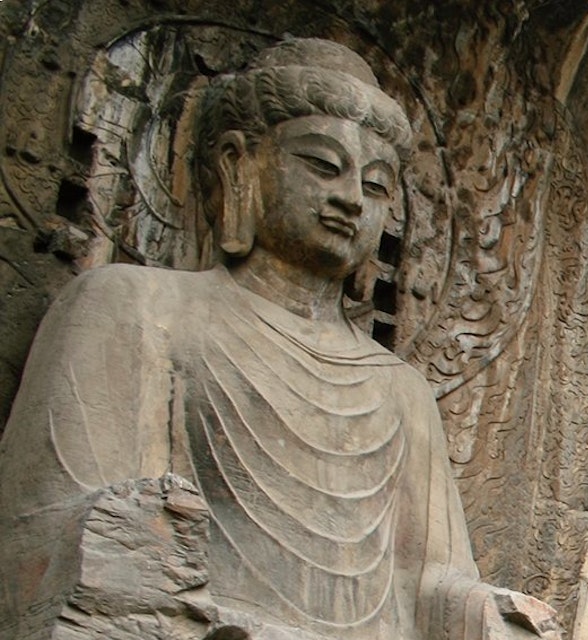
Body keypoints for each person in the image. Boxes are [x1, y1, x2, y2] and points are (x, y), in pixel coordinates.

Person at [0, 38, 557, 639]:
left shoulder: (400, 388)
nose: (349, 199)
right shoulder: (134, 308)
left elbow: (429, 581)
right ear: (240, 163)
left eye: (375, 188)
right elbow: (50, 532)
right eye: (322, 166)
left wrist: (491, 615)